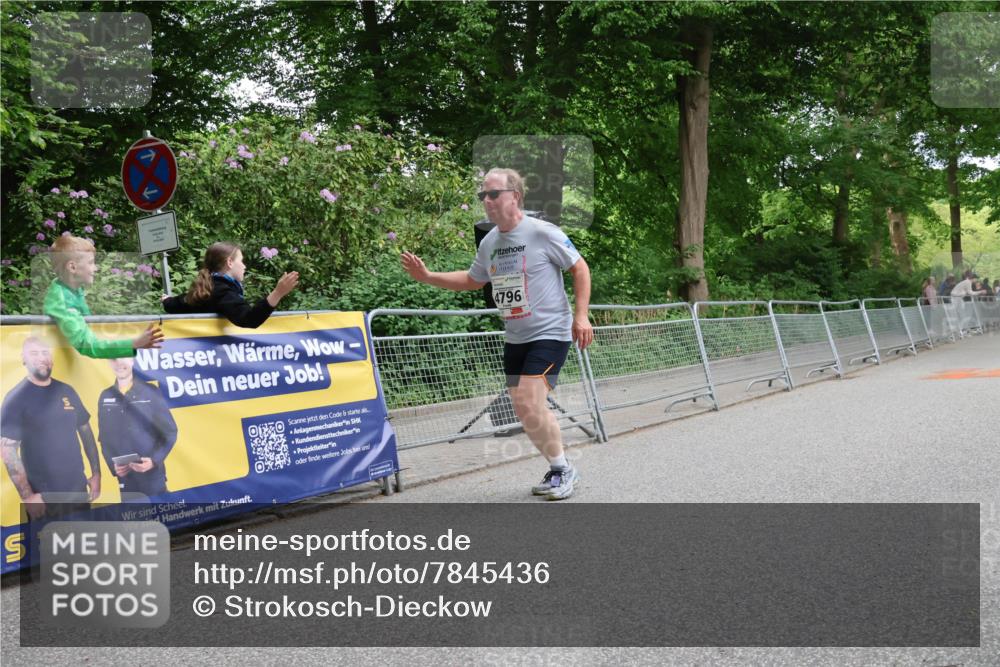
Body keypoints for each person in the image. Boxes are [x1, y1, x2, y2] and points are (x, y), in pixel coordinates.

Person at [400, 168, 593, 500]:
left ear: (514, 196)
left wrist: (581, 315)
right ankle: (558, 467)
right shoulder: (490, 241)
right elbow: (473, 279)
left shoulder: (542, 232)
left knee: (530, 401)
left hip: (550, 333)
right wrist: (428, 277)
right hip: (515, 337)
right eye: (483, 196)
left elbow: (580, 267)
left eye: (493, 194)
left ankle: (564, 470)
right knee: (523, 409)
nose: (486, 201)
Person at [1, 337, 101, 520]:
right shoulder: (15, 398)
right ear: (23, 358)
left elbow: (86, 432)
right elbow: (8, 451)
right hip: (44, 499)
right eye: (34, 353)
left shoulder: (67, 391)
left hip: (78, 492)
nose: (41, 358)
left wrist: (96, 474)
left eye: (45, 352)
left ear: (52, 358)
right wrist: (28, 497)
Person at [44, 235, 163, 358]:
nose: (95, 268)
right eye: (91, 263)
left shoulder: (71, 288)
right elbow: (87, 345)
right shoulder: (62, 300)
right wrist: (133, 344)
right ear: (72, 267)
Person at [161, 242, 299, 328]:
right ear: (230, 262)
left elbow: (178, 303)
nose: (244, 266)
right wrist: (277, 293)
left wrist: (167, 301)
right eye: (241, 261)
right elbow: (249, 319)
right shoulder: (222, 291)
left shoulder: (206, 289)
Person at [98, 356, 178, 499]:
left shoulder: (150, 391)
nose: (119, 363)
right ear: (109, 363)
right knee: (133, 514)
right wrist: (113, 465)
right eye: (114, 359)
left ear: (132, 360)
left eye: (123, 358)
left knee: (162, 513)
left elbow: (170, 432)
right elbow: (104, 439)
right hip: (126, 481)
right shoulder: (105, 396)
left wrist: (154, 460)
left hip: (153, 479)